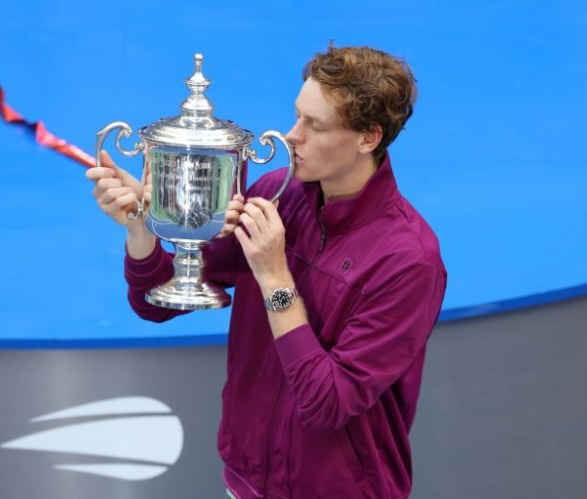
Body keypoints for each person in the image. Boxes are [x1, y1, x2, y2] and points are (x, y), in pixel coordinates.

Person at [87, 44, 446, 499]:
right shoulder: (274, 194)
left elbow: (327, 402)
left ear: (368, 138)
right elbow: (155, 302)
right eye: (297, 115)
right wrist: (143, 225)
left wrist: (275, 278)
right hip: (245, 483)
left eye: (314, 126)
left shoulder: (408, 261)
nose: (291, 135)